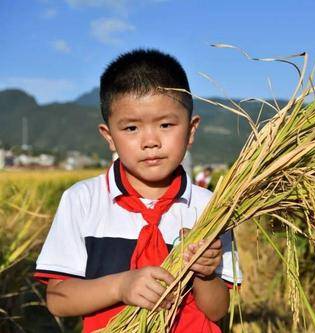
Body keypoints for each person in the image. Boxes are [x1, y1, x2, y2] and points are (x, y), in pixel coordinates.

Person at [34, 49, 242, 333]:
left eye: (166, 125)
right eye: (131, 128)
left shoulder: (211, 208)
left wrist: (204, 274)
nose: (150, 141)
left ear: (191, 130)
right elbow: (58, 300)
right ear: (109, 137)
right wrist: (121, 286)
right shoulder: (82, 200)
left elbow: (218, 309)